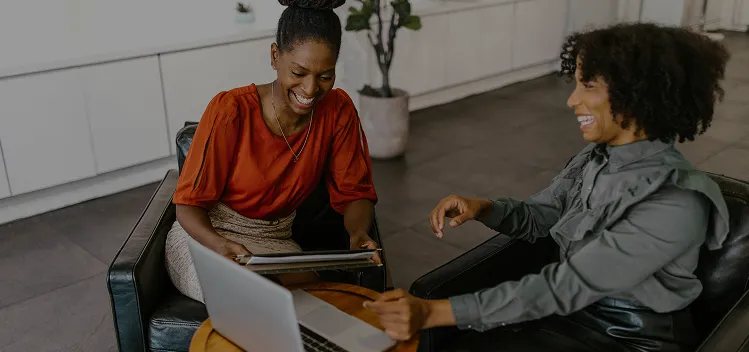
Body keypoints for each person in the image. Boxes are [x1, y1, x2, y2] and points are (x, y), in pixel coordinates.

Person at [364, 23, 732, 351]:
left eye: (587, 85)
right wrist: (485, 208)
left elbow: (566, 286)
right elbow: (543, 217)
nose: (572, 99)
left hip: (630, 339)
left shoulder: (678, 200)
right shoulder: (596, 157)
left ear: (637, 94)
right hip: (570, 317)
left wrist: (432, 312)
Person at [166, 0, 381, 303]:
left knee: (318, 307)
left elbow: (355, 192)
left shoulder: (338, 111)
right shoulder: (231, 110)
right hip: (207, 236)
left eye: (325, 76)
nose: (310, 89)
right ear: (274, 56)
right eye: (298, 72)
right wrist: (219, 244)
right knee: (252, 302)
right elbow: (187, 206)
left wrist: (358, 233)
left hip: (276, 240)